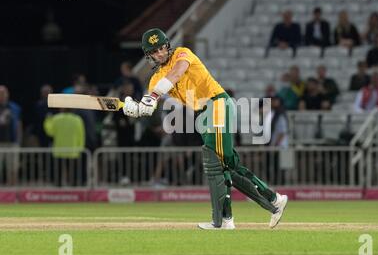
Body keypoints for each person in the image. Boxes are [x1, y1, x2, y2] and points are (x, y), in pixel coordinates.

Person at [122, 28, 288, 229]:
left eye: (162, 47)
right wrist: (136, 108)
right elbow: (149, 107)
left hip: (217, 103)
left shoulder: (182, 53)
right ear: (149, 56)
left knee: (216, 164)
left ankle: (226, 220)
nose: (160, 53)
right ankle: (270, 202)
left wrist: (152, 97)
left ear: (168, 45)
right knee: (226, 166)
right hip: (201, 115)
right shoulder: (156, 80)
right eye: (154, 51)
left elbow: (176, 74)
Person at [44, 109, 85, 186]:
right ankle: (74, 189)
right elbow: (81, 135)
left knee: (58, 174)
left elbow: (50, 132)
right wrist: (80, 148)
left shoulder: (56, 118)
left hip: (59, 150)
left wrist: (48, 120)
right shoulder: (77, 119)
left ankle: (58, 190)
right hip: (73, 151)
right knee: (73, 173)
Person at [0, 86, 21, 185]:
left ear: (7, 94)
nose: (2, 95)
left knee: (13, 167)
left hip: (12, 143)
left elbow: (19, 124)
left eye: (3, 93)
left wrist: (18, 141)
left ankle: (13, 191)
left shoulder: (14, 107)